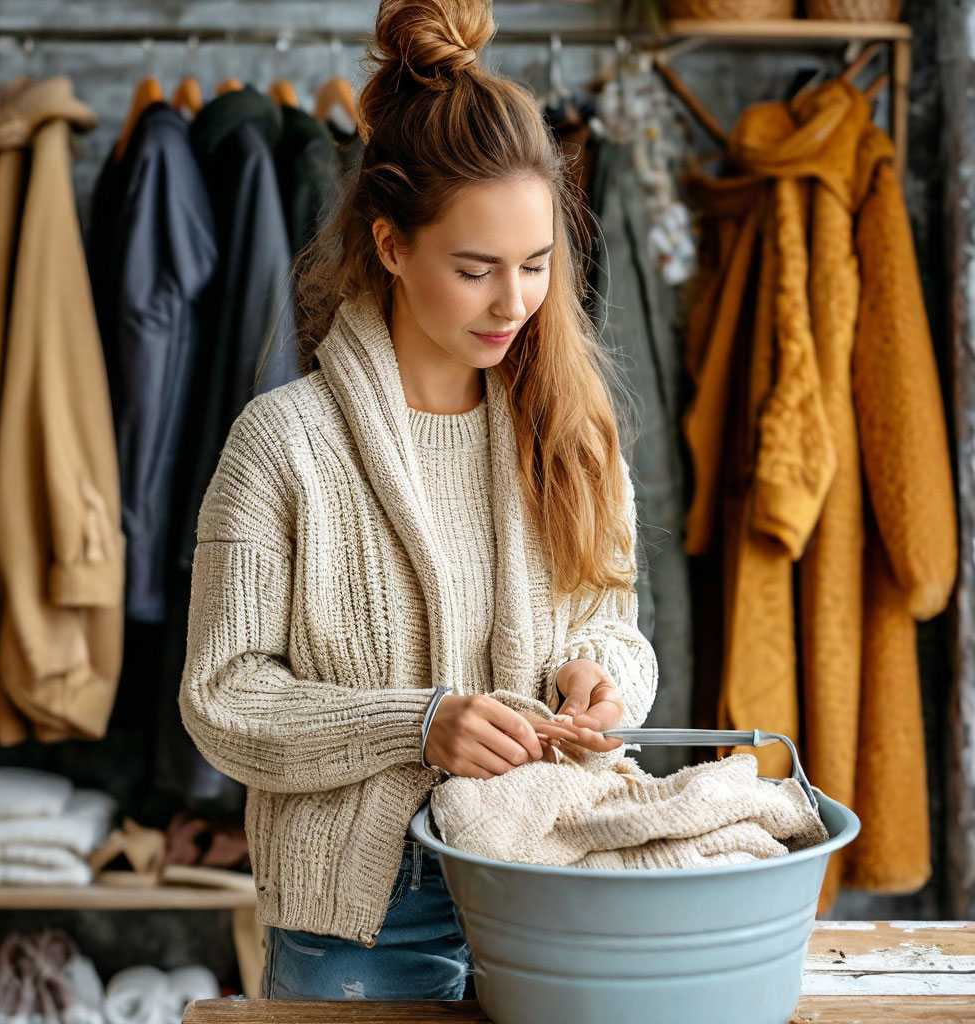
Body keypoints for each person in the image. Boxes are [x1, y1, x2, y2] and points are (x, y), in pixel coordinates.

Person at [178, 0, 659, 1001]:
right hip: (363, 922)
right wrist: (419, 723)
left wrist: (600, 679)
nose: (513, 304)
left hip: (554, 881)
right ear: (390, 245)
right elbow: (221, 698)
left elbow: (617, 625)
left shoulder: (575, 430)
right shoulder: (283, 446)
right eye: (475, 269)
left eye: (535, 267)